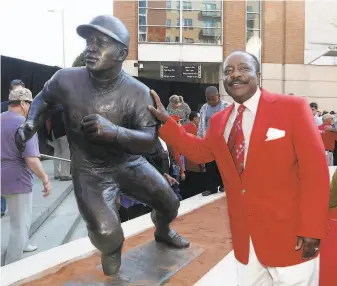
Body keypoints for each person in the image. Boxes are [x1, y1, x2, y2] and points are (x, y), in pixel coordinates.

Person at [14, 15, 189, 280]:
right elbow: (42, 99)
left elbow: (149, 141)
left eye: (101, 42)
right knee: (108, 235)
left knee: (170, 204)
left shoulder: (138, 92)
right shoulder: (66, 80)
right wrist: (30, 123)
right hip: (90, 172)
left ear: (121, 53)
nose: (90, 47)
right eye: (88, 41)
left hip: (129, 164)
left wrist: (114, 132)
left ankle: (162, 230)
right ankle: (112, 260)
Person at [148, 50, 330, 286]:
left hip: (290, 236)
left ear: (258, 75)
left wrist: (312, 229)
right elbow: (199, 151)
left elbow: (315, 173)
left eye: (243, 69)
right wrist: (166, 123)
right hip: (246, 240)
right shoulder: (219, 121)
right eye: (229, 71)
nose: (236, 75)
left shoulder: (292, 107)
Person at [1, 88, 51, 265]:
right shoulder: (25, 124)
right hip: (17, 179)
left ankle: (24, 244)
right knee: (19, 226)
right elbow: (31, 159)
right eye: (30, 104)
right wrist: (45, 178)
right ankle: (11, 271)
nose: (31, 107)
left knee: (20, 221)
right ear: (23, 103)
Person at [1, 79, 26, 216]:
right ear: (10, 92)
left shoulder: (27, 110)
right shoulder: (2, 107)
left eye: (22, 92)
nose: (20, 95)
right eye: (17, 91)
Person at [198, 86, 229, 196]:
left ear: (218, 96)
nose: (211, 101)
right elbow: (201, 125)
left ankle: (224, 185)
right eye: (208, 99)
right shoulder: (204, 108)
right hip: (209, 140)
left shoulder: (226, 106)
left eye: (213, 99)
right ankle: (211, 188)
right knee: (209, 165)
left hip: (222, 140)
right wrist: (200, 139)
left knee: (223, 164)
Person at [180, 111, 207, 198]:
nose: (200, 120)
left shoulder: (198, 127)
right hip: (192, 159)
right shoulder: (189, 128)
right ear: (194, 119)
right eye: (199, 118)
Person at [46, 104, 71, 180]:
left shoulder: (52, 109)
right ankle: (65, 174)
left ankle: (57, 173)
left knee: (57, 152)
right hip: (63, 132)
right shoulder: (63, 108)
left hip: (54, 133)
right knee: (66, 152)